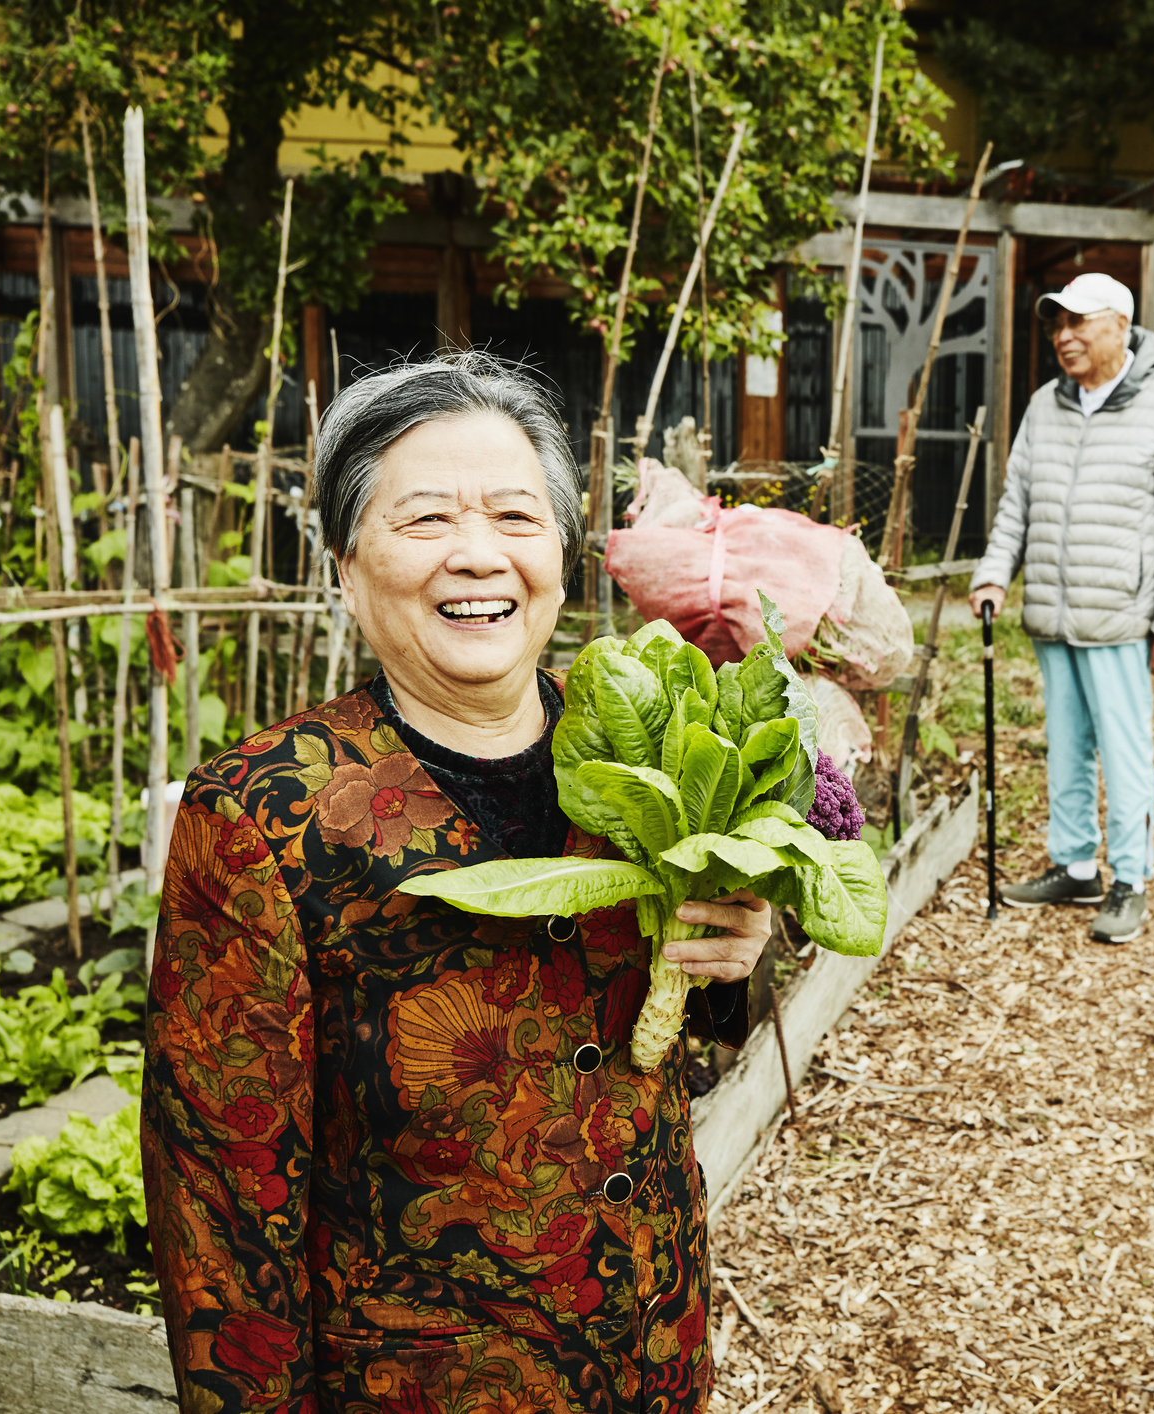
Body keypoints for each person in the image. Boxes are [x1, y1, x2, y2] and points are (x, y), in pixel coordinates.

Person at [143, 353, 771, 1414]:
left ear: (564, 554)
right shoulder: (263, 813)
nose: (478, 555)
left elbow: (692, 1019)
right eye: (426, 519)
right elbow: (221, 1211)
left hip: (654, 1354)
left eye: (517, 517)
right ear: (347, 563)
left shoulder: (641, 742)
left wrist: (735, 949)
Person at [968, 271, 1154, 944]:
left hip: (1120, 614)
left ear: (1119, 325)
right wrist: (994, 574)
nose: (1063, 337)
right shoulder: (1045, 404)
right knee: (1066, 745)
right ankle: (1075, 866)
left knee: (1124, 751)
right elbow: (1017, 501)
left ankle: (1129, 879)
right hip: (1053, 609)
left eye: (1077, 322)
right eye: (1056, 325)